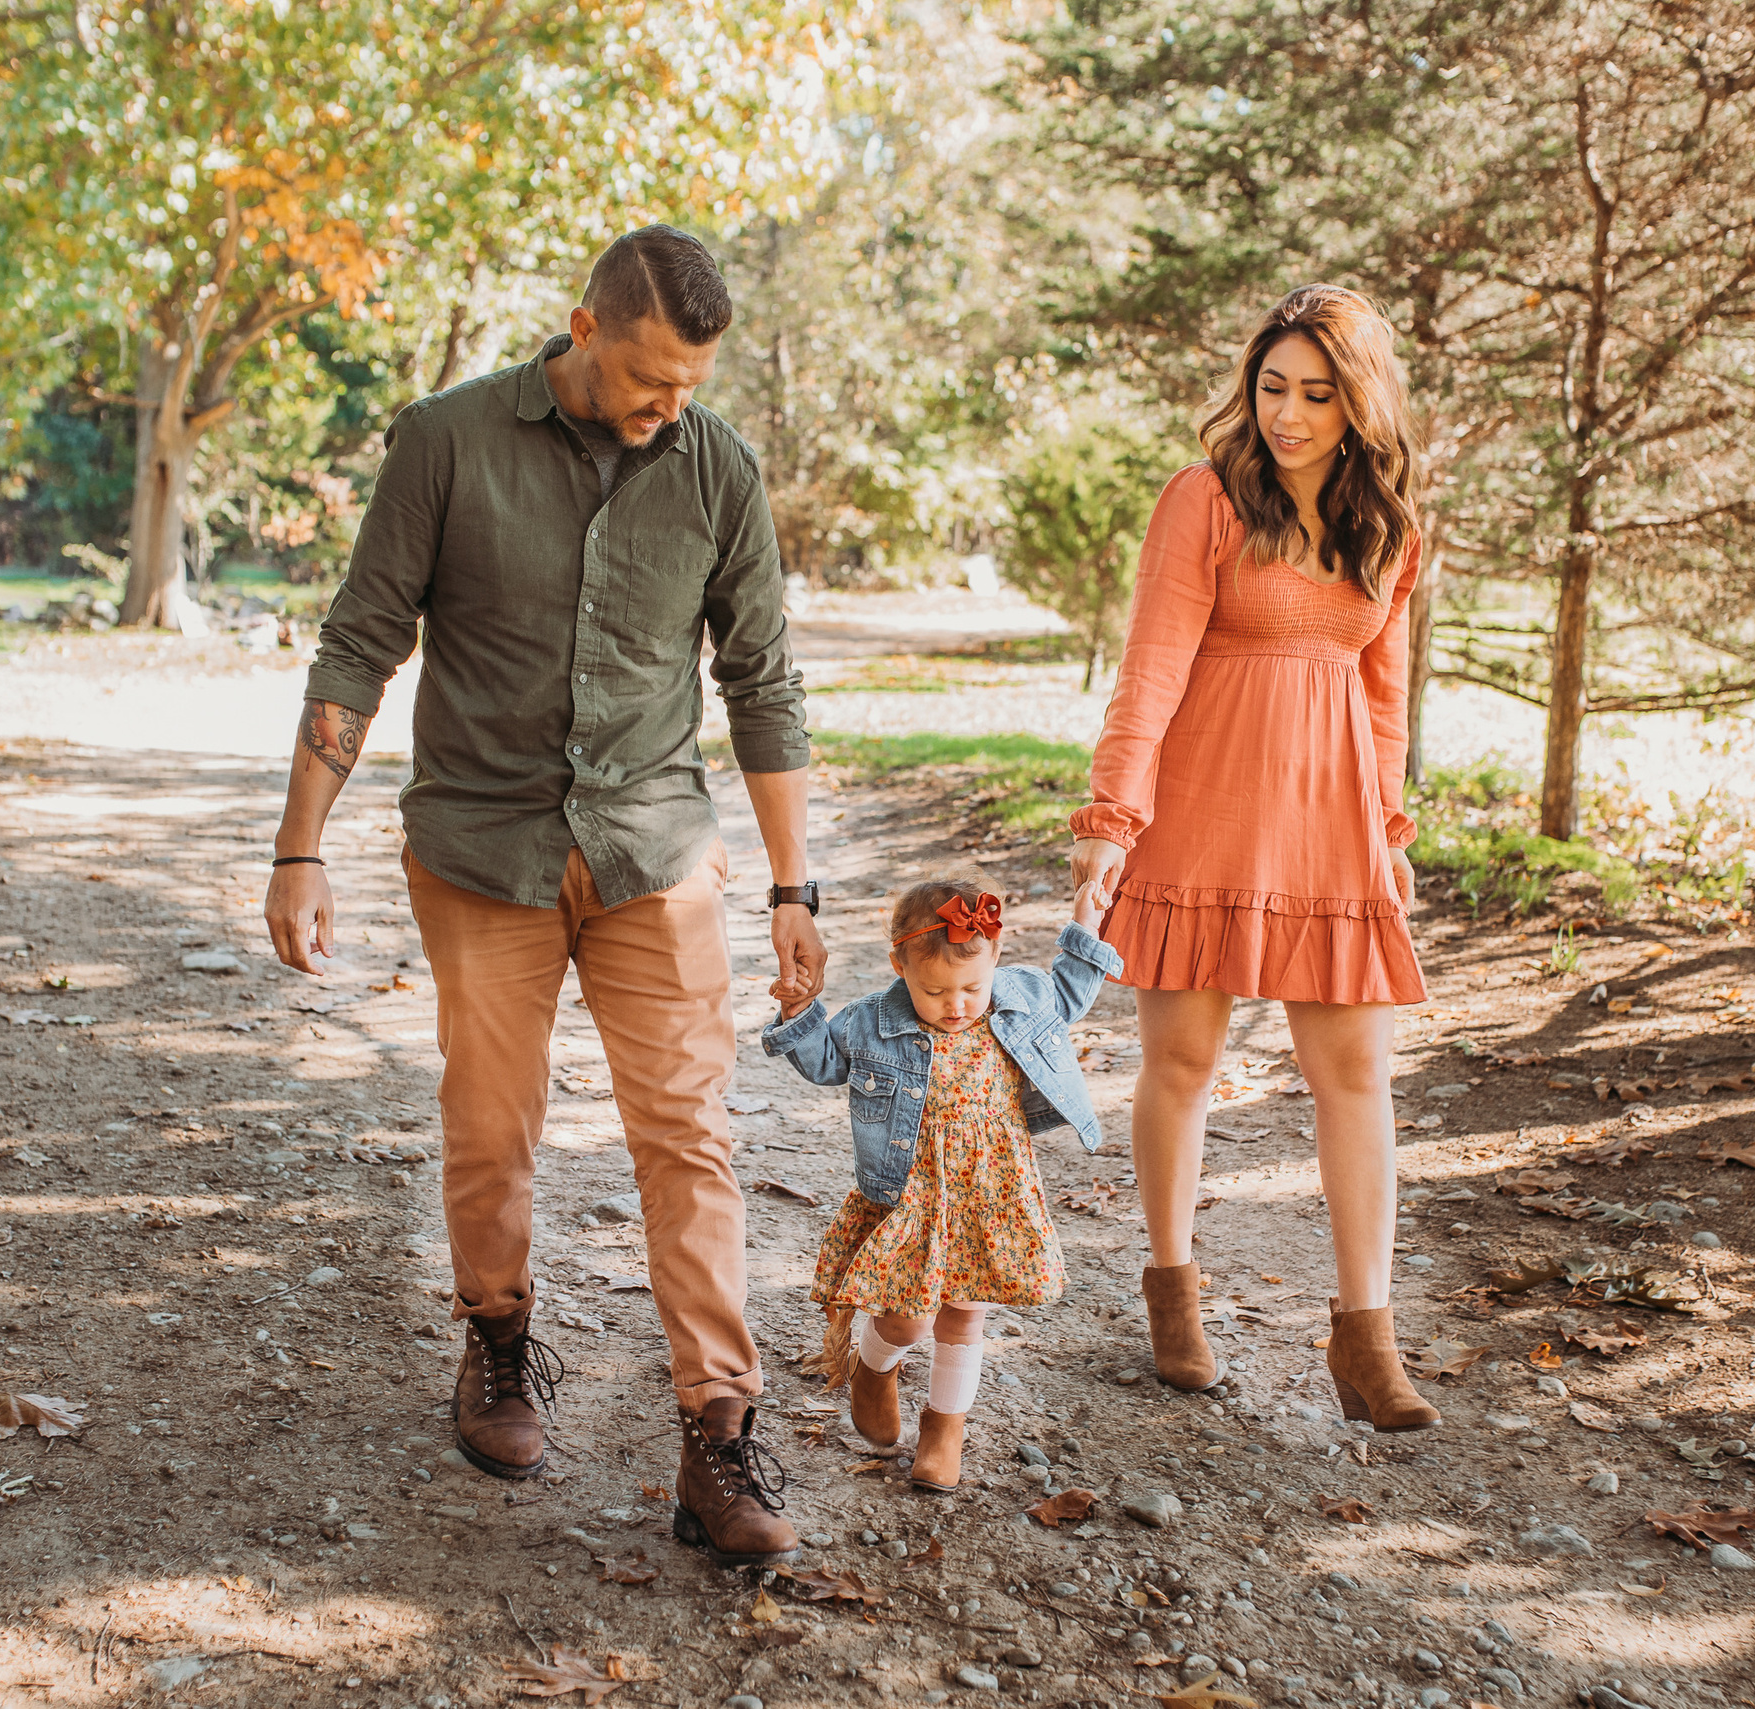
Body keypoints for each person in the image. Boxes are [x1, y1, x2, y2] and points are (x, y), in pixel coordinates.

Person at [263, 225, 830, 1567]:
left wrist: (793, 885)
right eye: (649, 376)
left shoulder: (717, 467)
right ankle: (500, 1339)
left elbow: (763, 679)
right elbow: (361, 640)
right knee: (491, 1120)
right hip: (484, 847)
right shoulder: (445, 441)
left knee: (690, 1136)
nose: (669, 406)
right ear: (584, 329)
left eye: (691, 384)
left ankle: (717, 1428)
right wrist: (299, 848)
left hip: (652, 849)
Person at [1068, 283, 1438, 1431]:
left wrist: (1389, 828)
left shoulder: (1388, 529)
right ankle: (1173, 1289)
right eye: (1272, 387)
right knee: (1182, 1060)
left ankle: (1365, 1336)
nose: (1287, 414)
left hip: (1331, 826)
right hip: (1203, 807)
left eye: (1317, 395)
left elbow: (1383, 698)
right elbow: (1151, 668)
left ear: (1358, 402)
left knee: (1356, 1072)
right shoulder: (1207, 499)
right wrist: (1110, 819)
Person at [761, 877, 1119, 1490]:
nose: (957, 1005)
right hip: (912, 1196)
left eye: (972, 988)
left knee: (964, 1318)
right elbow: (823, 1062)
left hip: (992, 1194)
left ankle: (944, 1429)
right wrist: (798, 1009)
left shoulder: (1019, 999)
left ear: (996, 956)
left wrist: (1085, 922)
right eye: (935, 991)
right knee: (907, 1321)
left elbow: (1069, 991)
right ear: (899, 966)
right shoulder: (873, 1021)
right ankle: (875, 1367)